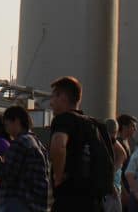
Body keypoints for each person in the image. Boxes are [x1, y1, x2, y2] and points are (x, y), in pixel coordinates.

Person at [47, 76, 110, 212]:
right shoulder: (97, 125)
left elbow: (59, 145)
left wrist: (58, 176)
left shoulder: (64, 119)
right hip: (94, 201)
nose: (51, 103)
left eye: (53, 98)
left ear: (63, 97)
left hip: (70, 198)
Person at [0, 105, 50, 212]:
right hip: (35, 203)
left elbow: (8, 174)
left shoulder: (20, 142)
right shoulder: (36, 142)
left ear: (16, 121)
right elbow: (18, 171)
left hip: (19, 202)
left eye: (7, 125)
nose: (6, 129)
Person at [103, 119, 128, 212]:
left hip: (111, 186)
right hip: (111, 188)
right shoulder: (109, 141)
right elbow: (122, 154)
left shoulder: (105, 141)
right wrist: (111, 182)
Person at [117, 114, 137, 210]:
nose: (135, 129)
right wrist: (124, 193)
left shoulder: (129, 142)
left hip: (129, 188)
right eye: (133, 126)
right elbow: (117, 170)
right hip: (121, 189)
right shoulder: (118, 143)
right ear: (124, 127)